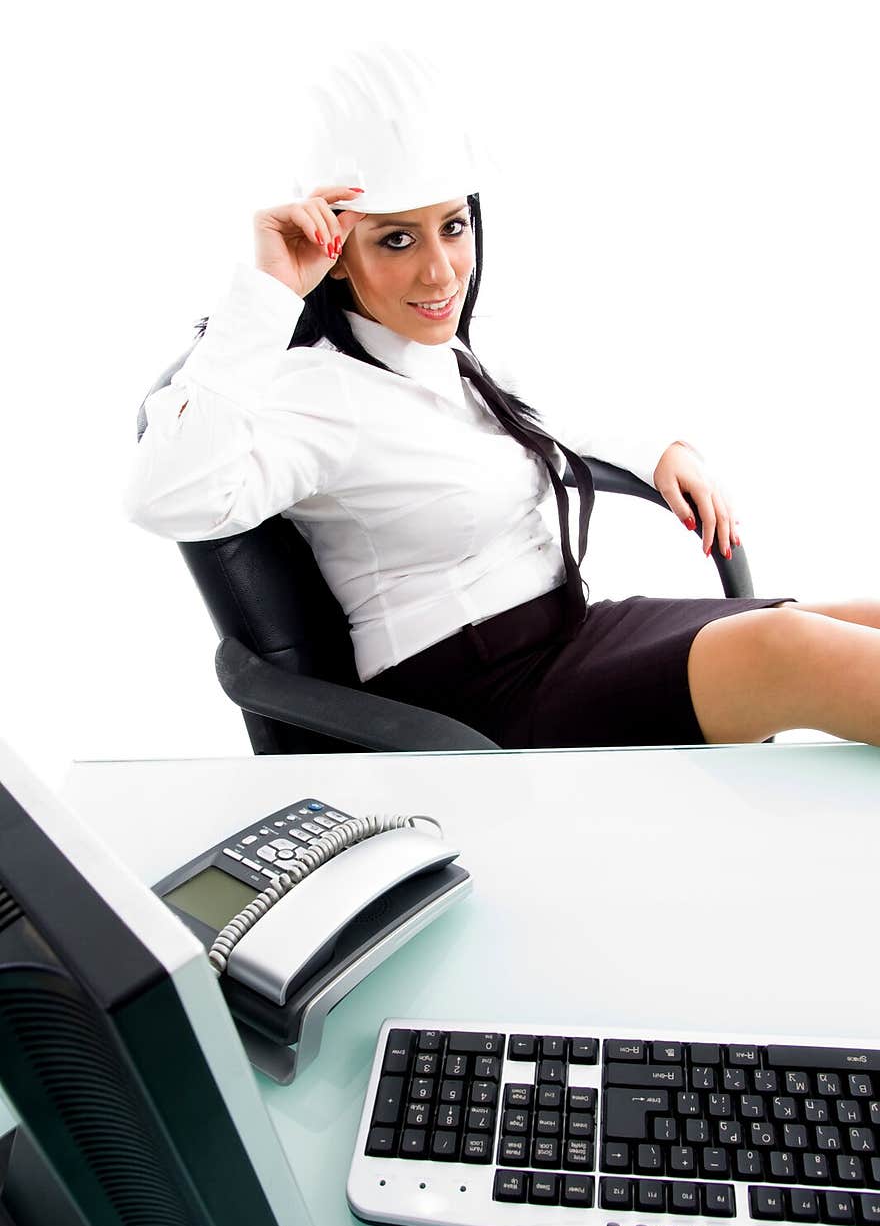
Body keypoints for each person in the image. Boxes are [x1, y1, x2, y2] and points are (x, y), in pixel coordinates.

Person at [126, 49, 880, 750]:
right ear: (337, 256)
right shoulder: (314, 393)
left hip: (573, 633)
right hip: (471, 697)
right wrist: (265, 293)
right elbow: (170, 495)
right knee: (793, 650)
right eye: (396, 240)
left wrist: (662, 450)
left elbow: (558, 410)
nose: (441, 273)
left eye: (452, 227)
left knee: (853, 620)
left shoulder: (448, 351)